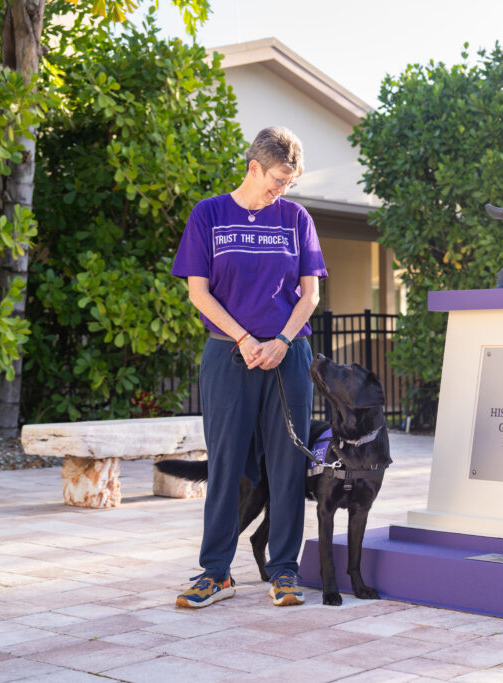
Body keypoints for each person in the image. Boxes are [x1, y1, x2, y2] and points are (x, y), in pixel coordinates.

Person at [170, 126, 327, 607]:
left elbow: (311, 293)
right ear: (254, 167)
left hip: (286, 356)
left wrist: (281, 340)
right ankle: (215, 573)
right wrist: (243, 338)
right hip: (227, 355)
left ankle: (284, 571)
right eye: (278, 179)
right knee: (226, 466)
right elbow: (199, 292)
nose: (282, 190)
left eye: (289, 183)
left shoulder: (296, 218)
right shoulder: (209, 214)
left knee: (285, 466)